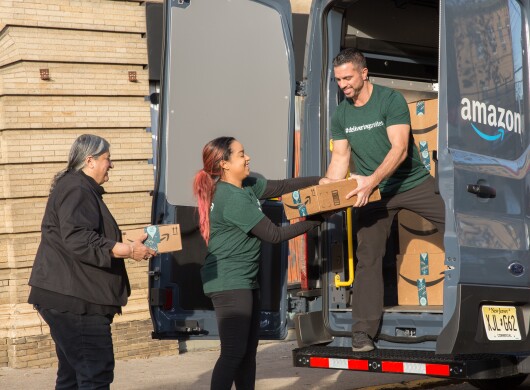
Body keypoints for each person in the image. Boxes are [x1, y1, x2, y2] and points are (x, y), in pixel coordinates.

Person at [322, 48, 445, 352]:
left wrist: (370, 182)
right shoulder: (342, 114)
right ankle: (362, 333)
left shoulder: (390, 100)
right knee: (368, 257)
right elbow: (340, 159)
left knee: (459, 230)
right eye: (338, 80)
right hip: (374, 194)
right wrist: (325, 191)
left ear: (364, 73)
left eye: (348, 77)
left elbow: (400, 149)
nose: (343, 84)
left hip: (411, 183)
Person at [193, 136, 324, 390]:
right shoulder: (231, 198)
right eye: (241, 154)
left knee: (247, 352)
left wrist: (321, 181)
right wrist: (317, 219)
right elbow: (274, 235)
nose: (247, 157)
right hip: (229, 281)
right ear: (225, 164)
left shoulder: (247, 186)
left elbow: (283, 186)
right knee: (233, 352)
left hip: (244, 280)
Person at [28, 134, 156, 389]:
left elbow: (85, 235)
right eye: (108, 159)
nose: (111, 165)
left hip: (71, 298)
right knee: (94, 374)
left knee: (73, 377)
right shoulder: (77, 188)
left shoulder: (76, 187)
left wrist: (130, 242)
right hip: (77, 302)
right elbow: (78, 238)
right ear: (90, 161)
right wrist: (128, 251)